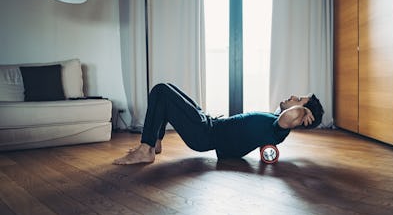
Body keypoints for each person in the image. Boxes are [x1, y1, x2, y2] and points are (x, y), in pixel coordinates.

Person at [113, 83, 324, 165]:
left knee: (160, 91)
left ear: (301, 116)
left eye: (300, 99)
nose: (294, 95)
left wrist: (304, 110)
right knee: (167, 88)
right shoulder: (273, 123)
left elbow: (289, 118)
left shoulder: (279, 129)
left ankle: (145, 148)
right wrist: (303, 107)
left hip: (205, 134)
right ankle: (155, 142)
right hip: (208, 123)